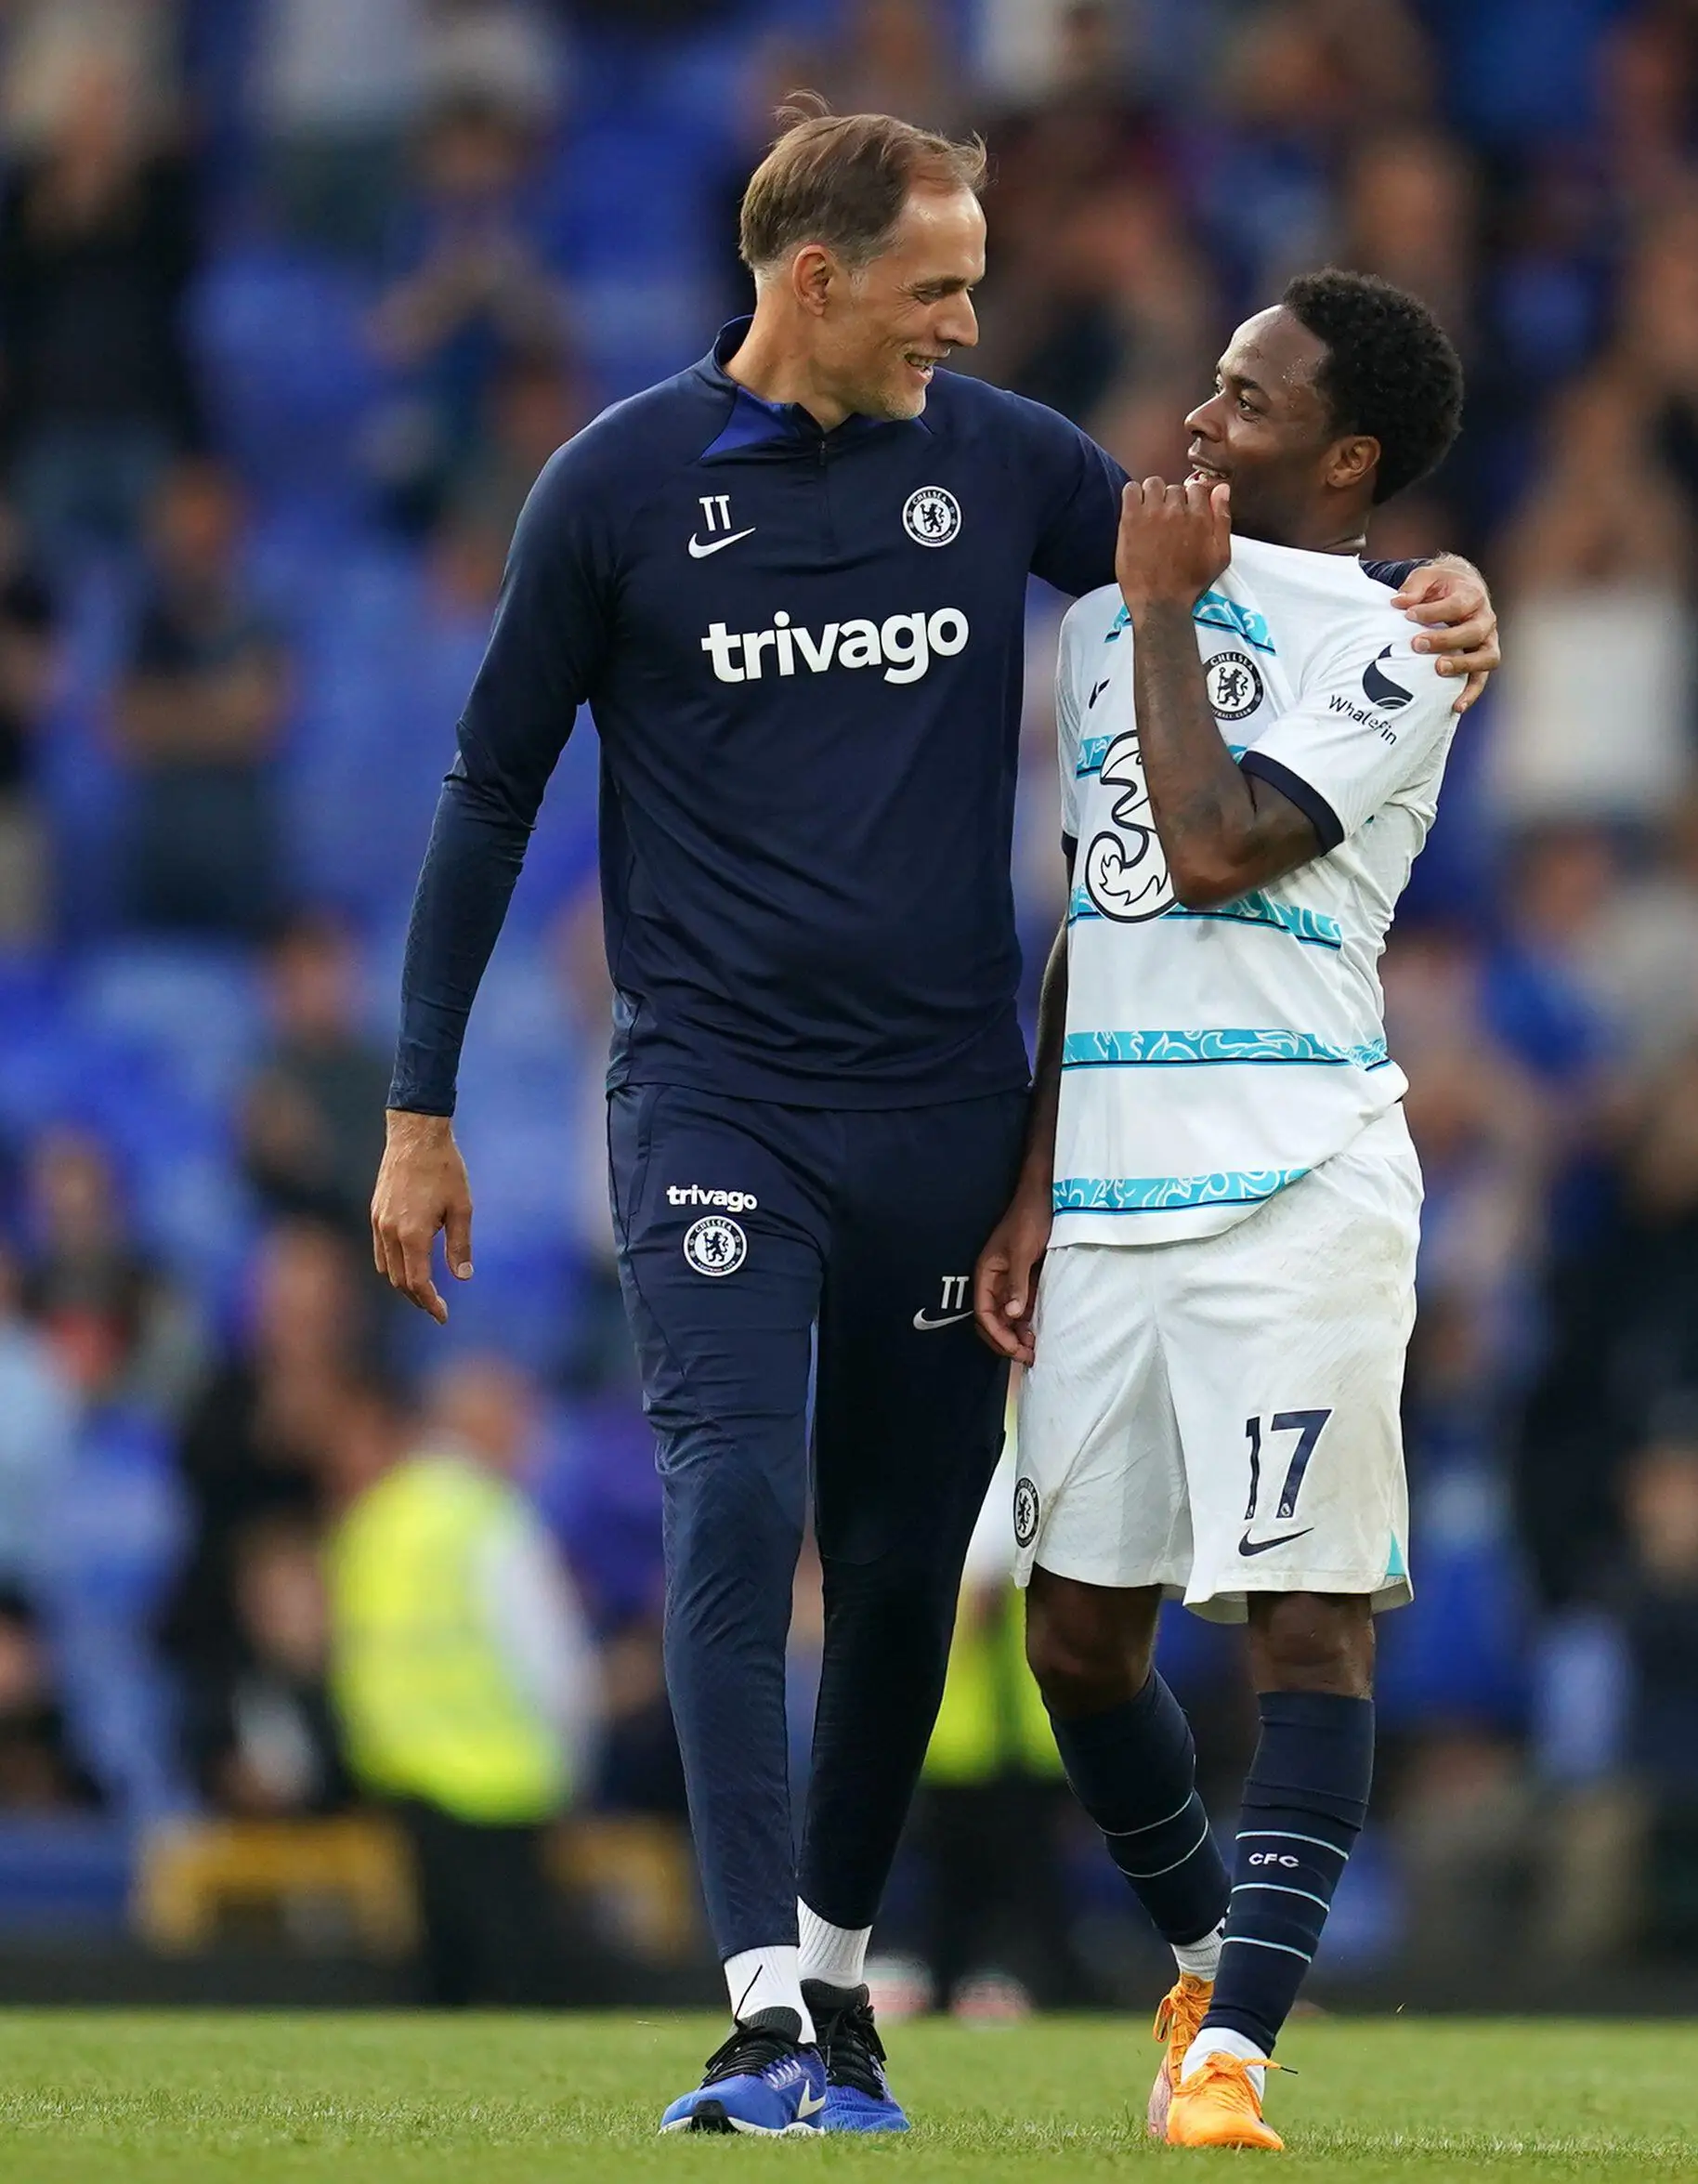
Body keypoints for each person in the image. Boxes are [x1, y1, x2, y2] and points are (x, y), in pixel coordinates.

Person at [370, 110, 1497, 2135]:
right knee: (732, 1495)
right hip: (714, 1087)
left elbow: (1259, 575)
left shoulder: (995, 468)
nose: (972, 322)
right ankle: (756, 2014)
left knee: (906, 1568)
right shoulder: (616, 486)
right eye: (939, 285)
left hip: (944, 1108)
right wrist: (418, 1099)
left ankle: (838, 1982)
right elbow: (483, 790)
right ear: (816, 281)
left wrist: (1437, 581)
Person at [973, 268, 1468, 2151]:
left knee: (1301, 1621)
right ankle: (1201, 1949)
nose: (1197, 419)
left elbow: (1209, 845)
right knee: (1072, 1644)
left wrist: (1167, 616)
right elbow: (1102, 905)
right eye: (1208, 377)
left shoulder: (1405, 644)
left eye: (1247, 403)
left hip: (1294, 1184)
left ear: (1343, 459)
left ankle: (1234, 2051)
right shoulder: (1108, 617)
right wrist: (1029, 1180)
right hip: (1103, 1191)